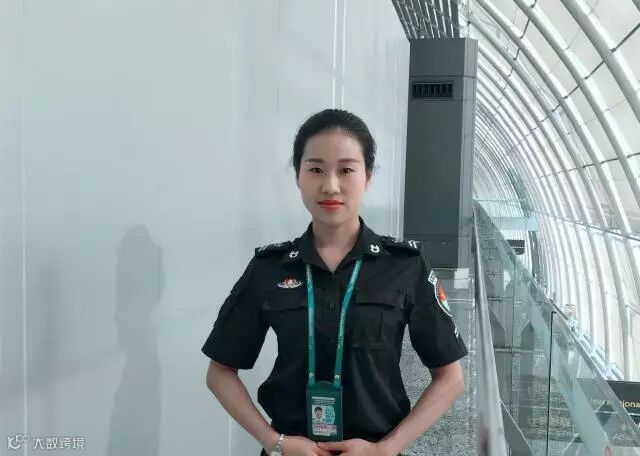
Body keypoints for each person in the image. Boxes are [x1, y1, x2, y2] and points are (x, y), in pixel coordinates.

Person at [203, 109, 468, 456]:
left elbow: (450, 378)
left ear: (367, 176)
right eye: (315, 169)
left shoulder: (404, 266)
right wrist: (275, 442)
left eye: (346, 170)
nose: (330, 185)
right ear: (298, 176)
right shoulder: (269, 268)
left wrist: (385, 449)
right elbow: (219, 372)